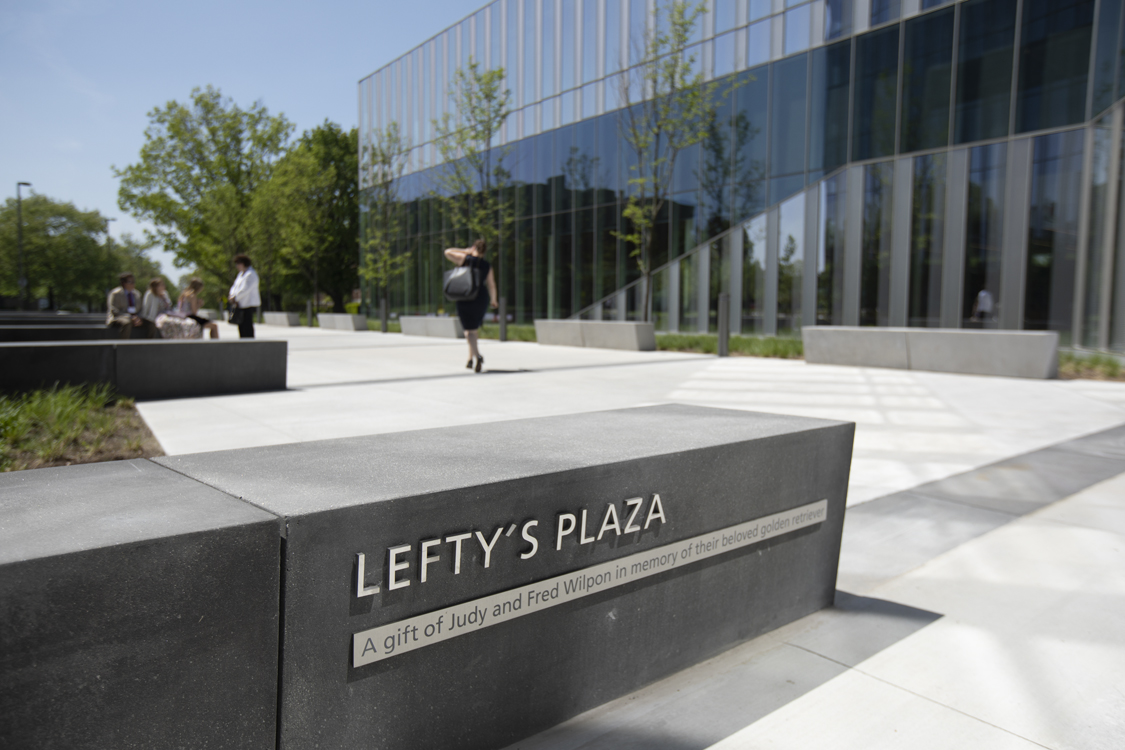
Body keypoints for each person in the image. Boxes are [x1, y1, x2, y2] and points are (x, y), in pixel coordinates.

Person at [444, 239, 498, 373]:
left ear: (474, 247)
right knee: (473, 329)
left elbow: (447, 252)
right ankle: (470, 359)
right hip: (481, 297)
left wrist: (465, 251)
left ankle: (478, 356)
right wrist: (494, 300)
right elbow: (491, 284)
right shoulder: (486, 265)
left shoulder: (465, 259)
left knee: (468, 331)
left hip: (465, 296)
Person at [228, 254, 260, 339]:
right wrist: (231, 295)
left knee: (247, 325)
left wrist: (235, 297)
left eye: (238, 263)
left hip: (248, 304)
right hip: (240, 304)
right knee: (241, 326)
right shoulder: (241, 274)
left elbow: (245, 289)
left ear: (244, 263)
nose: (237, 266)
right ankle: (242, 342)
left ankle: (249, 344)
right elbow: (234, 286)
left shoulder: (251, 274)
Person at [105, 272, 144, 338]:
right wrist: (129, 317)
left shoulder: (137, 294)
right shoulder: (115, 294)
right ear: (123, 283)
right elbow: (113, 310)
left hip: (135, 317)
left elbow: (140, 309)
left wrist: (138, 318)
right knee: (127, 323)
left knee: (151, 324)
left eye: (134, 282)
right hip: (118, 317)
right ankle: (124, 345)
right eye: (130, 282)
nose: (133, 284)